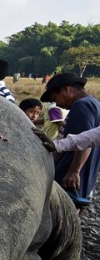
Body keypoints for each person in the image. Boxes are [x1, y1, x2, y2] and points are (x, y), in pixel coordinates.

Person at [40, 73, 100, 209]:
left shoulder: (81, 106)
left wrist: (74, 170)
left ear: (66, 89)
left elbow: (85, 141)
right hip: (85, 175)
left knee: (58, 212)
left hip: (69, 176)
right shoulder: (94, 103)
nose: (57, 104)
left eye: (55, 98)